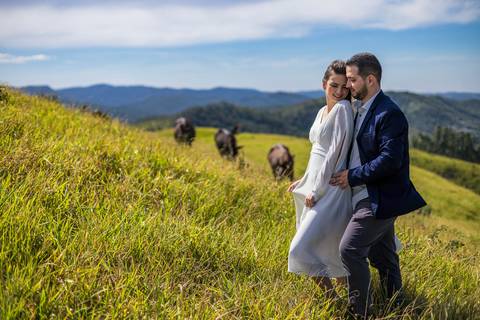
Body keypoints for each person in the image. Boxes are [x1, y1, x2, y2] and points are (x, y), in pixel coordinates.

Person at [330, 53, 427, 318]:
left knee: (349, 249)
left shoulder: (389, 113)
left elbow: (390, 161)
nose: (348, 85)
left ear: (370, 80)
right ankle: (398, 307)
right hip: (364, 195)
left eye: (352, 80)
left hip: (378, 197)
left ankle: (359, 313)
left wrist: (352, 176)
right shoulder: (359, 107)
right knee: (383, 259)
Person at [287, 60, 354, 298]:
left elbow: (335, 153)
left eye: (344, 87)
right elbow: (317, 151)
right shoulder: (321, 112)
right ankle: (345, 303)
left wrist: (316, 189)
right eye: (334, 85)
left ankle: (334, 300)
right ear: (324, 84)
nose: (338, 92)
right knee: (328, 247)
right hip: (315, 184)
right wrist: (304, 180)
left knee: (300, 248)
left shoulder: (343, 110)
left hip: (330, 189)